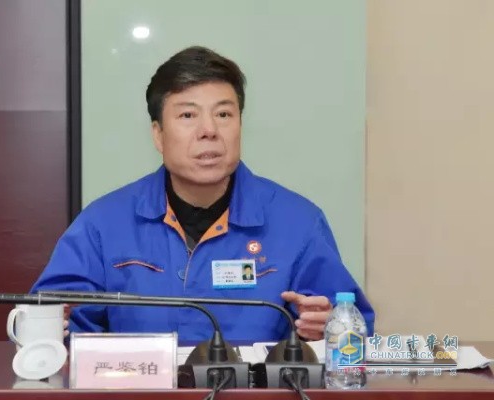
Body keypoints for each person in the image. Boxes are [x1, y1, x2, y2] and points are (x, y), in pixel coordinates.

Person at [31, 46, 375, 342]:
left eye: (223, 114)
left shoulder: (297, 222)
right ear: (158, 134)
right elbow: (49, 320)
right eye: (187, 115)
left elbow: (355, 329)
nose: (209, 130)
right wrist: (48, 328)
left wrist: (330, 327)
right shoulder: (104, 223)